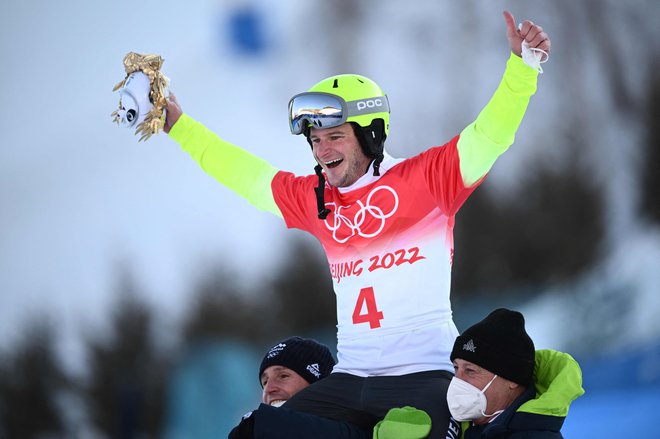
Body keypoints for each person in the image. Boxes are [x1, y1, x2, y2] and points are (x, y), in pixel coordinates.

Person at [163, 10, 551, 438]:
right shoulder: (317, 199)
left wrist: (522, 69)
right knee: (254, 433)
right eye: (314, 140)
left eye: (334, 136)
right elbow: (246, 175)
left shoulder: (427, 180)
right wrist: (179, 127)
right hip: (350, 380)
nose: (322, 150)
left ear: (370, 134)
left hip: (422, 374)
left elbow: (489, 136)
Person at [230, 337, 371, 439]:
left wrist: (261, 422)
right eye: (265, 382)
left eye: (283, 376)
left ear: (319, 385)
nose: (269, 389)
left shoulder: (359, 428)